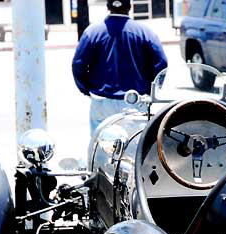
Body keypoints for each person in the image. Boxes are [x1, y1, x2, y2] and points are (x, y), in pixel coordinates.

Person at [72, 0, 168, 134]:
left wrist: (87, 89)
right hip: (135, 100)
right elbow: (161, 63)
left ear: (108, 7)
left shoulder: (92, 32)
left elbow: (78, 64)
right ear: (129, 7)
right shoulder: (145, 32)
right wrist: (151, 90)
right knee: (134, 147)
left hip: (102, 100)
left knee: (101, 148)